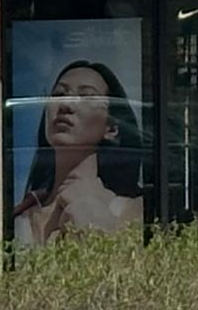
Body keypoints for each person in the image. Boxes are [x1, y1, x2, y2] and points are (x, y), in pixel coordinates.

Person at [13, 60, 147, 245]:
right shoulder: (20, 216)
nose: (66, 104)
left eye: (87, 97)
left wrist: (88, 209)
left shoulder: (135, 212)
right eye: (59, 94)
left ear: (111, 128)